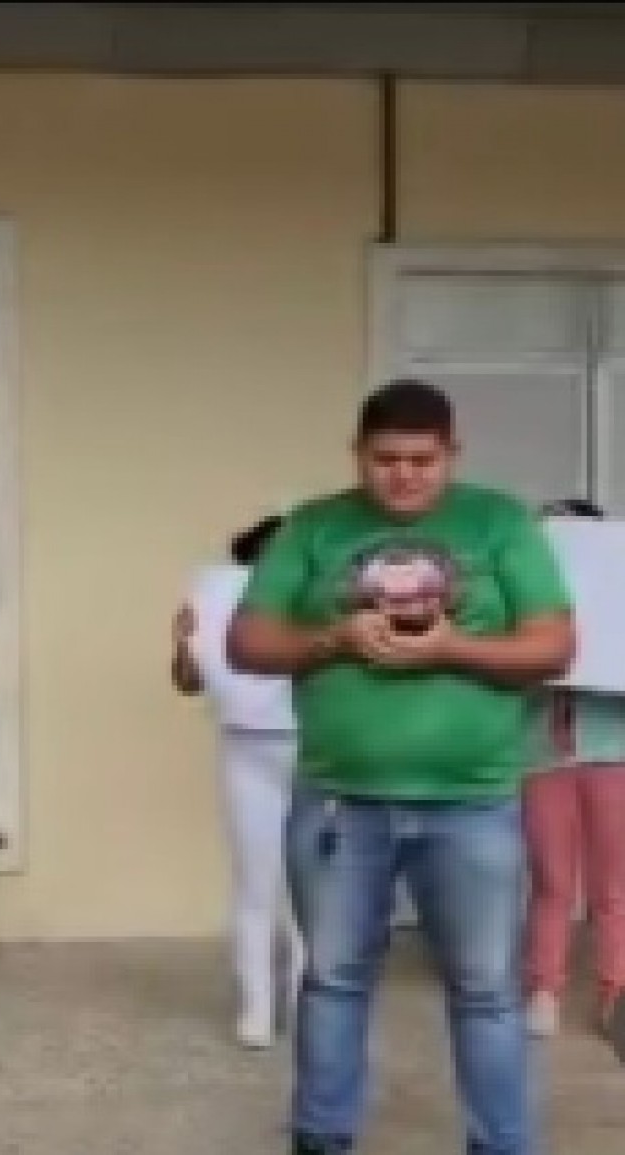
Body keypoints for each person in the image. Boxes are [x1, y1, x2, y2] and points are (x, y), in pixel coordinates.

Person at [228, 379, 575, 1155]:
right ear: (358, 454)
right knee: (335, 979)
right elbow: (246, 643)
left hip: (475, 804)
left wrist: (454, 647)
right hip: (339, 806)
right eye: (386, 459)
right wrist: (332, 640)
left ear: (452, 453)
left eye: (423, 459)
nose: (405, 475)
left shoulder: (501, 523)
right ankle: (322, 1139)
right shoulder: (315, 527)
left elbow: (552, 647)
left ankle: (502, 1144)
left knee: (487, 991)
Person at [173, 515, 303, 1050]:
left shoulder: (318, 594)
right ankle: (255, 1008)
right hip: (246, 746)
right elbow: (187, 682)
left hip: (314, 749)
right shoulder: (219, 593)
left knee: (309, 891)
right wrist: (183, 644)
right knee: (254, 884)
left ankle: (305, 1005)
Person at [521, 498, 624, 1040]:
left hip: (612, 751)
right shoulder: (526, 603)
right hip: (541, 752)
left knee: (615, 887)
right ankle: (544, 987)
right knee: (551, 881)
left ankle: (616, 994)